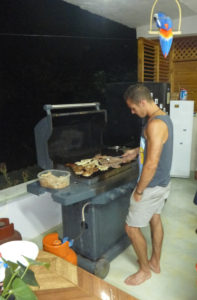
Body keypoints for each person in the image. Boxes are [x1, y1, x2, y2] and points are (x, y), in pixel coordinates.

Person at [122, 84, 173, 285]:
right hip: (162, 184)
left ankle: (145, 271)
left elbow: (151, 164)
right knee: (155, 218)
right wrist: (136, 152)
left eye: (134, 108)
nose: (133, 112)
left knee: (131, 228)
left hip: (151, 186)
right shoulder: (161, 117)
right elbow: (153, 144)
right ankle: (154, 262)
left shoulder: (155, 125)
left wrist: (139, 190)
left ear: (142, 102)